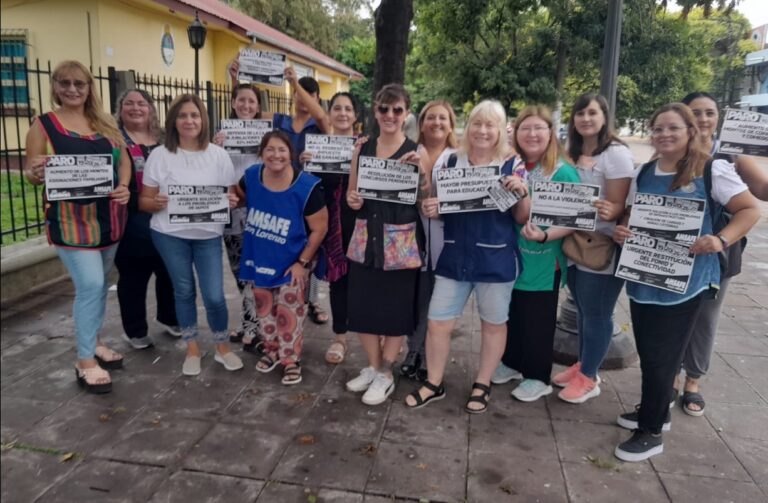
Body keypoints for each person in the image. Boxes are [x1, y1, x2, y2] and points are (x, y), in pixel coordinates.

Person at [612, 103, 759, 462]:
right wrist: (623, 231)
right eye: (658, 128)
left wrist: (721, 239)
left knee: (663, 356)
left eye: (673, 128)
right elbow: (634, 214)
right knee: (650, 352)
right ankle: (656, 410)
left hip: (687, 283)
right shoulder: (644, 172)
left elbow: (750, 209)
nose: (664, 134)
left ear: (690, 131)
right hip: (646, 277)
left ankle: (650, 432)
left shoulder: (713, 170)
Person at [405, 100, 531, 413]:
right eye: (478, 123)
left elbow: (520, 217)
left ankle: (483, 383)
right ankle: (434, 382)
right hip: (455, 256)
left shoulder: (512, 164)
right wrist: (431, 207)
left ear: (501, 130)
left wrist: (523, 193)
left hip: (495, 259)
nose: (483, 131)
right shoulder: (450, 162)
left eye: (491, 125)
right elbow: (437, 205)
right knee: (438, 323)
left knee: (493, 324)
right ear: (468, 126)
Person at [24, 60, 131, 394]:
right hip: (71, 223)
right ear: (54, 86)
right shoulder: (44, 125)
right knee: (91, 285)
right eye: (65, 83)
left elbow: (123, 158)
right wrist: (35, 173)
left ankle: (95, 341)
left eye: (79, 84)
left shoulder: (104, 122)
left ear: (89, 88)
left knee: (100, 287)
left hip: (109, 218)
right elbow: (31, 169)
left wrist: (125, 185)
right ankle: (85, 359)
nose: (72, 89)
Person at [671, 91, 768, 416]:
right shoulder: (673, 152)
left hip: (718, 251)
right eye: (695, 113)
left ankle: (693, 381)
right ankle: (669, 376)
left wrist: (722, 239)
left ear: (718, 118)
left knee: (706, 318)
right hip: (676, 248)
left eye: (709, 113)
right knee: (673, 314)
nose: (702, 119)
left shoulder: (732, 155)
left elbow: (761, 194)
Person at [140, 94, 243, 376]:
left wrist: (232, 201)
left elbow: (232, 194)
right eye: (183, 116)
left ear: (203, 120)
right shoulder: (160, 156)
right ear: (174, 121)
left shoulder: (218, 155)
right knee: (184, 291)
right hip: (169, 234)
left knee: (214, 295)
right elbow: (144, 201)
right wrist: (156, 203)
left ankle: (222, 347)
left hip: (208, 236)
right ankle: (193, 348)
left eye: (194, 115)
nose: (189, 121)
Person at [549, 93, 634, 403]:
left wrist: (612, 210)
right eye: (580, 113)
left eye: (592, 113)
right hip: (573, 241)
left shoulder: (616, 154)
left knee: (598, 314)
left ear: (604, 117)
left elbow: (619, 205)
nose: (585, 118)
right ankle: (584, 365)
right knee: (583, 310)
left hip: (602, 246)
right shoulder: (571, 152)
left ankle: (589, 378)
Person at [344, 84, 426, 406]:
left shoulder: (416, 151)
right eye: (384, 109)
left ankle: (387, 373)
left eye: (397, 110)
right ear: (375, 111)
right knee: (362, 307)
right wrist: (353, 199)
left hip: (400, 241)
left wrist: (420, 174)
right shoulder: (362, 148)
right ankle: (374, 366)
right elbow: (353, 195)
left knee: (395, 309)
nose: (390, 115)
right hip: (366, 239)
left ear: (406, 113)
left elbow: (427, 201)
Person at [493, 105, 580, 402]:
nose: (531, 134)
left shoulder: (563, 171)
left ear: (550, 134)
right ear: (515, 134)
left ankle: (538, 375)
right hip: (513, 255)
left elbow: (575, 219)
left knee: (538, 320)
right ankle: (513, 362)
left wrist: (545, 235)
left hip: (545, 258)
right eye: (525, 128)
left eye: (538, 128)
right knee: (513, 313)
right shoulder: (512, 166)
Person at [238, 131, 328, 385]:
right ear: (261, 153)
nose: (275, 155)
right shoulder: (252, 176)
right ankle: (272, 350)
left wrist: (302, 263)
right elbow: (239, 196)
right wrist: (231, 200)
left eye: (281, 150)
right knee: (265, 310)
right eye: (270, 149)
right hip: (260, 258)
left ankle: (291, 360)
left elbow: (320, 228)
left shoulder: (306, 186)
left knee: (290, 311)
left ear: (291, 154)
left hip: (293, 261)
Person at [113, 89, 179, 350]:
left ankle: (169, 317)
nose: (136, 108)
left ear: (151, 108)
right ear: (120, 110)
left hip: (168, 213)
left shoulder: (166, 138)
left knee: (170, 269)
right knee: (134, 275)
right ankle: (135, 329)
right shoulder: (113, 139)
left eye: (142, 103)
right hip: (132, 215)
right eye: (129, 103)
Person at [298, 92, 361, 365]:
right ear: (330, 113)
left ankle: (377, 334)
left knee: (367, 281)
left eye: (348, 109)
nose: (343, 113)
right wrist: (305, 164)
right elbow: (308, 188)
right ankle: (340, 336)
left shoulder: (367, 146)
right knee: (339, 281)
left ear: (356, 115)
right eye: (337, 108)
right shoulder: (318, 146)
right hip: (332, 226)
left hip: (361, 223)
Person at [400, 100, 458, 381]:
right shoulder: (410, 152)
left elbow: (464, 201)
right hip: (412, 238)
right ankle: (414, 349)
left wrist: (442, 207)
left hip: (448, 241)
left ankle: (428, 354)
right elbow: (398, 195)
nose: (436, 123)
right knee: (416, 297)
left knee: (439, 301)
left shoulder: (460, 158)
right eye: (430, 118)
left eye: (442, 118)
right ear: (421, 124)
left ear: (451, 125)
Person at [212, 83, 263, 352]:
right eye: (241, 100)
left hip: (258, 211)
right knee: (238, 270)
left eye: (251, 101)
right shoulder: (221, 135)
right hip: (231, 210)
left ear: (258, 106)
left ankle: (253, 323)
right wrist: (215, 148)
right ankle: (249, 320)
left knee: (254, 270)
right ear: (233, 103)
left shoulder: (266, 136)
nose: (246, 105)